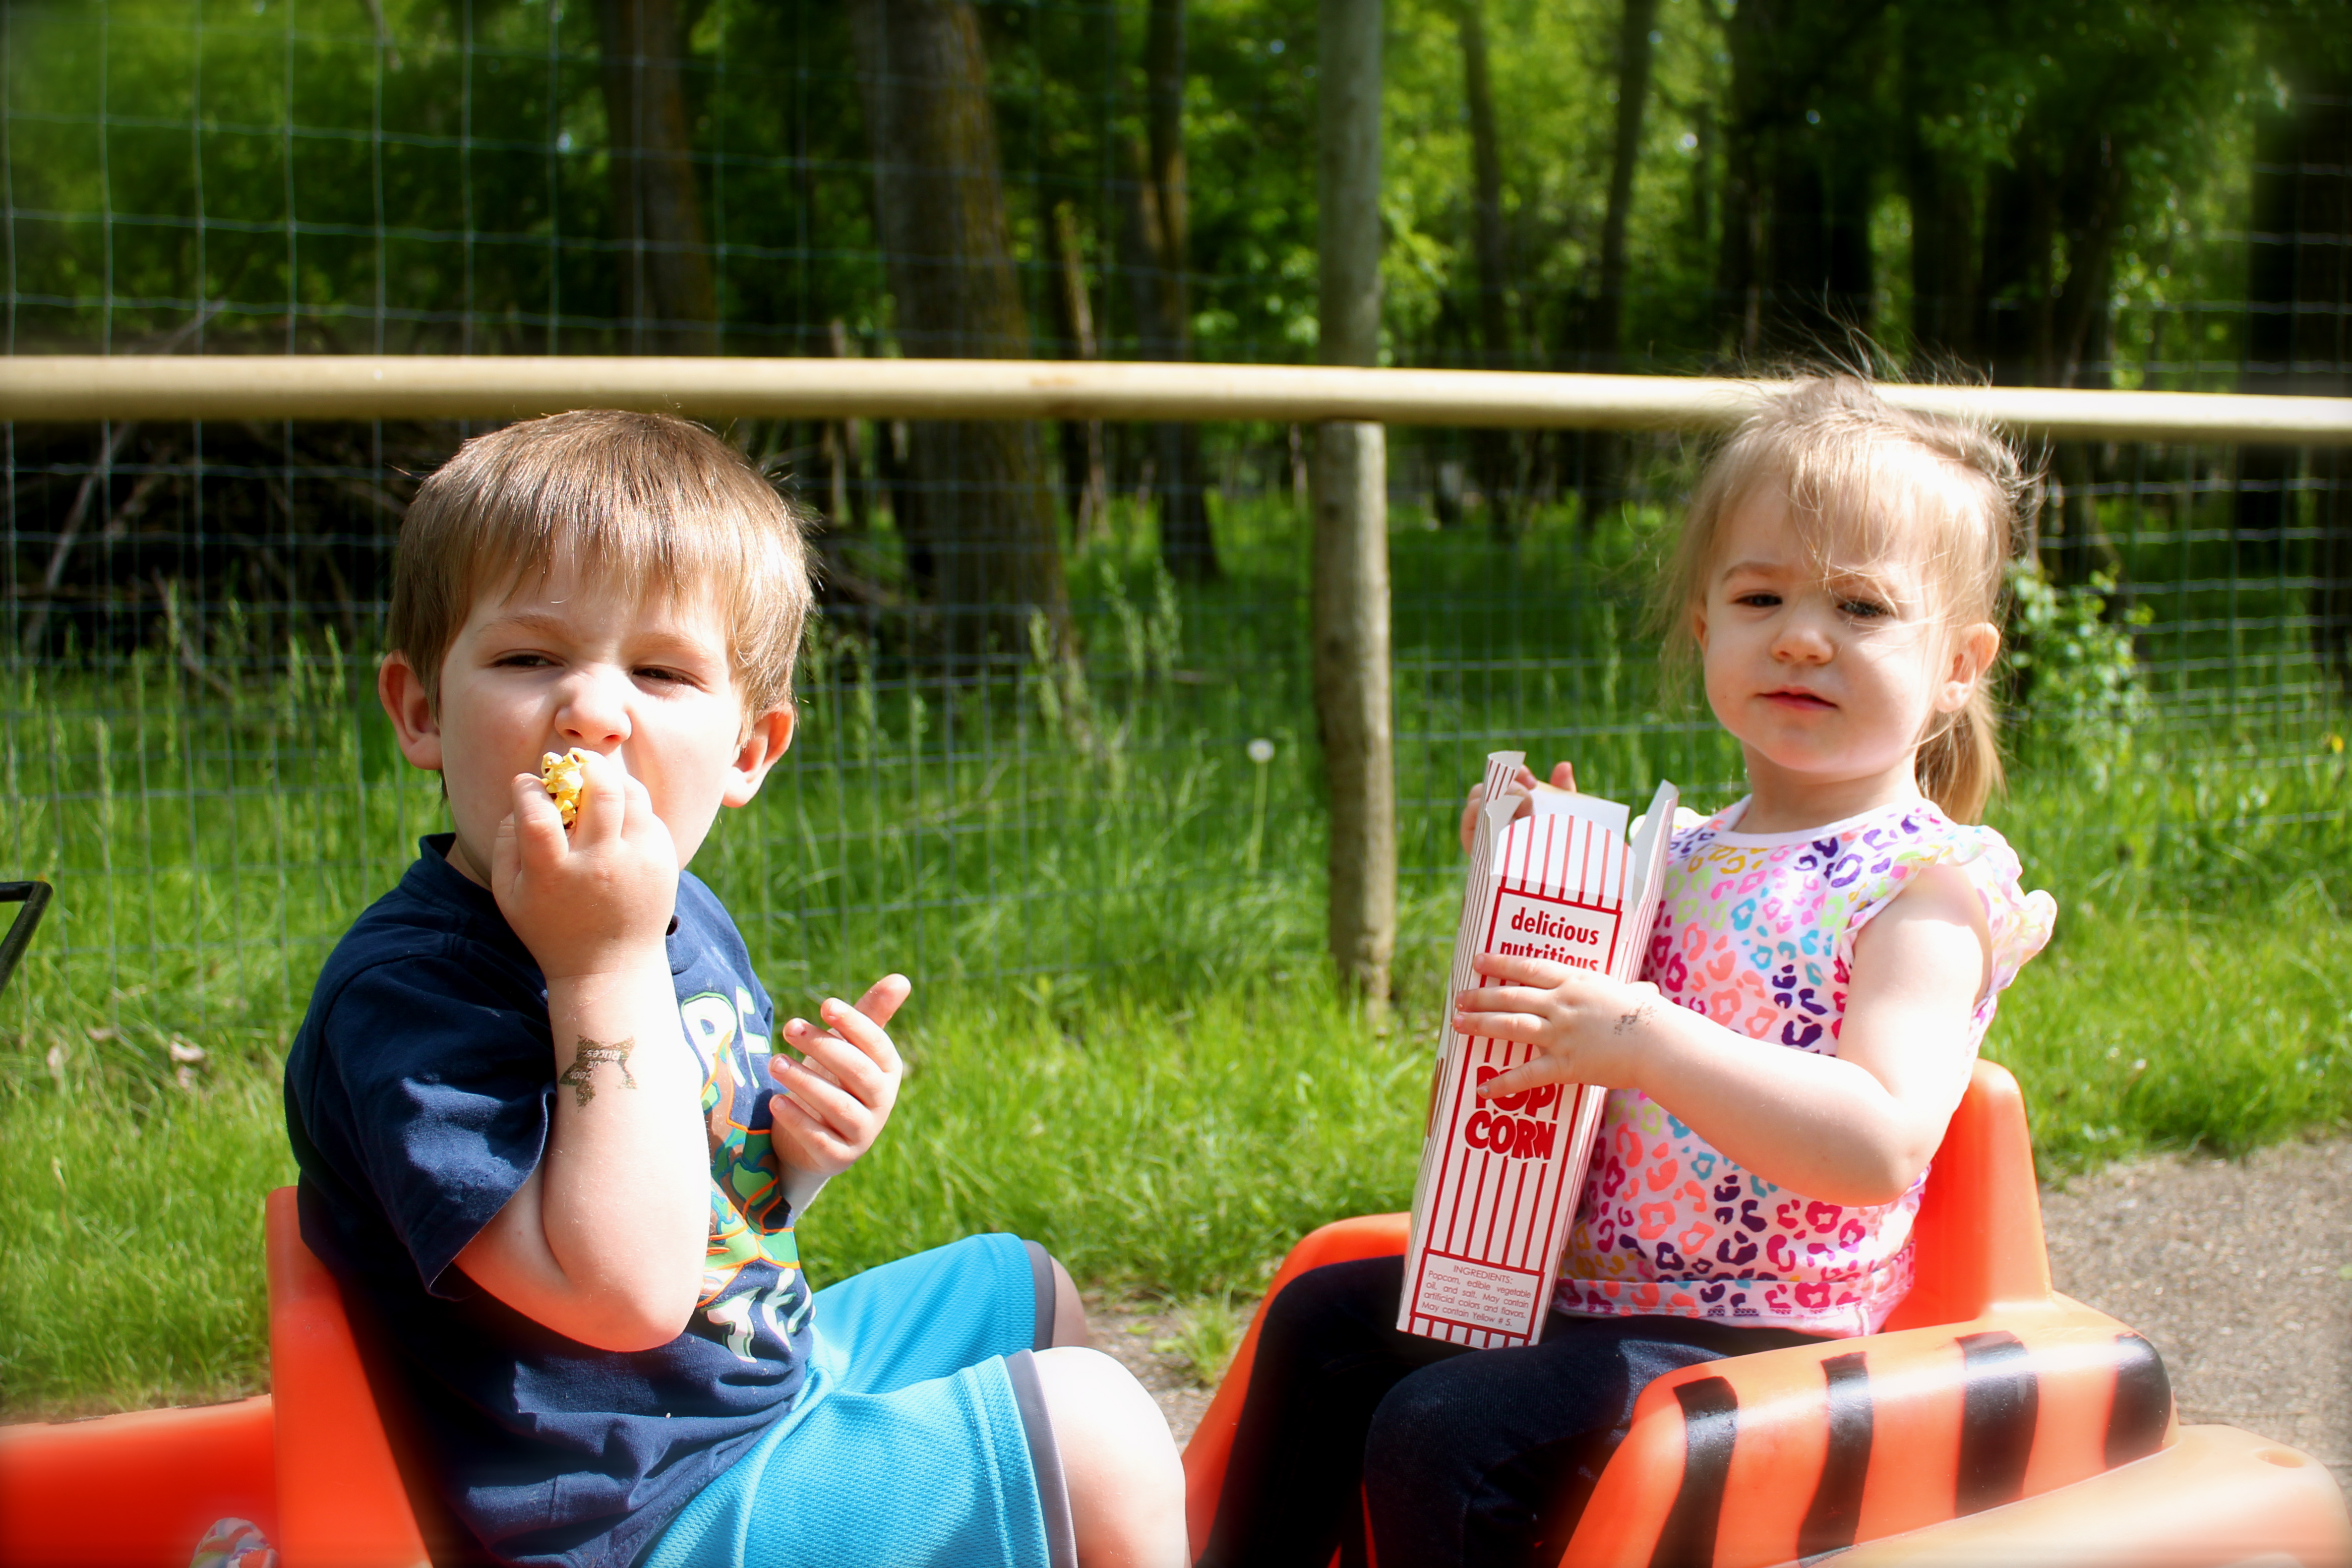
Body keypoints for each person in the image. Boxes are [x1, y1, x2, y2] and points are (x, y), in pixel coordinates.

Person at [282, 410, 1185, 1568]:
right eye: (528, 659)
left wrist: (795, 1157)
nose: (592, 710)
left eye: (659, 671)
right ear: (421, 710)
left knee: (1026, 1289)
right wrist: (598, 965)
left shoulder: (681, 910)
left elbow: (704, 1204)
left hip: (738, 1398)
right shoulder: (413, 1002)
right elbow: (624, 1295)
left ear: (750, 750)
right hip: (626, 1518)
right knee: (1101, 1434)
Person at [1196, 377, 2057, 1568]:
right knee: (1323, 1321)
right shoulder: (1679, 851)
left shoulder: (1921, 887)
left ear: (1958, 663)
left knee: (1444, 1430)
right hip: (1592, 1293)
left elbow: (1877, 1141)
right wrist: (1533, 874)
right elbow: (1564, 1017)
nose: (1800, 636)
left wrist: (1645, 1034)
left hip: (1768, 1330)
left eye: (1859, 606)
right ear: (1705, 626)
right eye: (1759, 596)